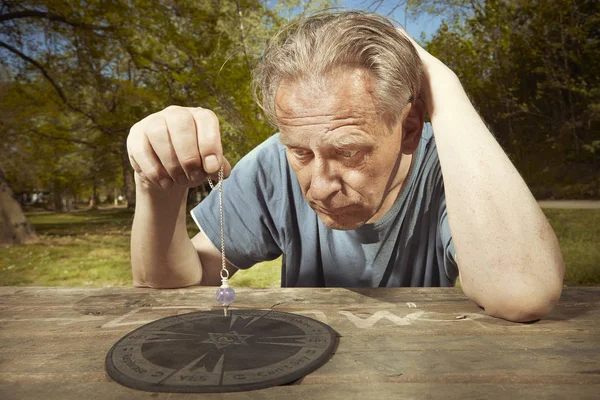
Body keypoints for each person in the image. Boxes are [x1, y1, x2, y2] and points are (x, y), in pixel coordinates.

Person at [127, 11, 564, 322]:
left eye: (349, 152)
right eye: (300, 152)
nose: (318, 186)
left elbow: (521, 292)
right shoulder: (273, 161)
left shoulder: (452, 168)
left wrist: (443, 88)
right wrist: (157, 188)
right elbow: (175, 281)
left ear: (409, 126)